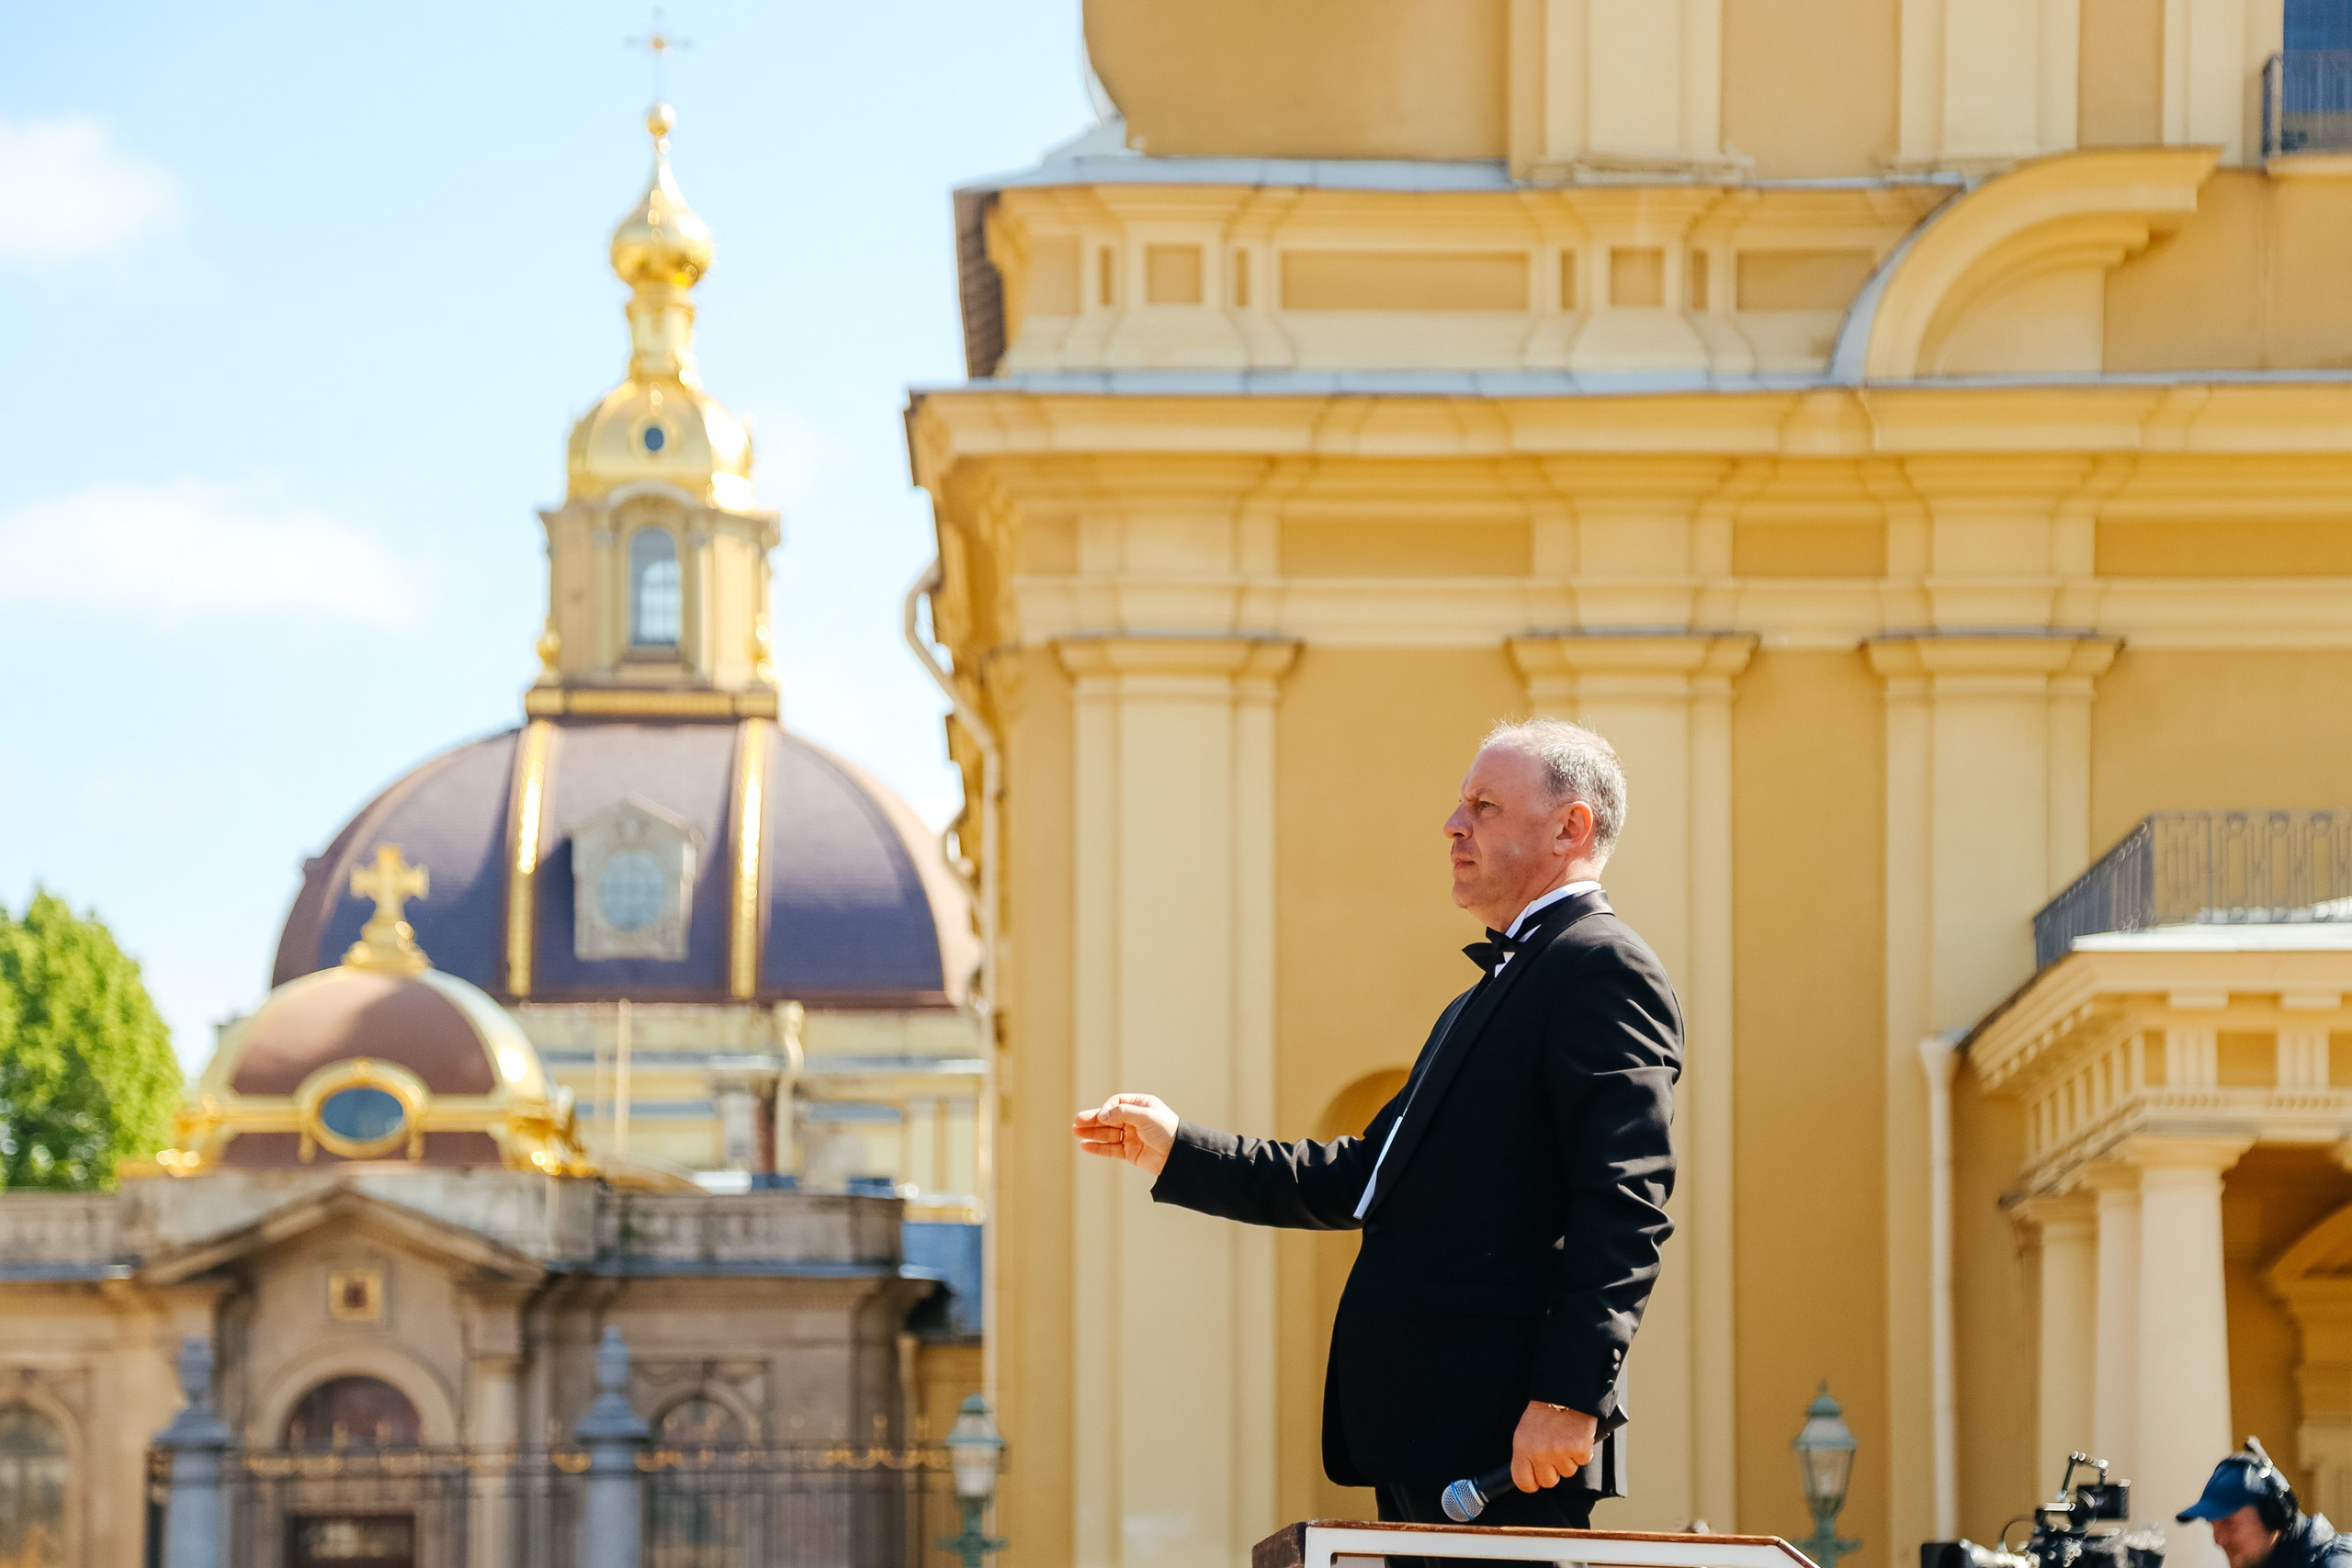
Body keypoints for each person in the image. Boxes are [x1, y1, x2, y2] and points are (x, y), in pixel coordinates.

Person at [1072, 718, 1682, 1529]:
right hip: (1430, 1431)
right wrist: (1180, 1149)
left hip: (1509, 1445)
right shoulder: (1484, 996)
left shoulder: (1603, 966)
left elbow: (1625, 1203)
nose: (1453, 825)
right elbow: (1362, 1177)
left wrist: (1570, 1396)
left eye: (1485, 805)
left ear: (1572, 827)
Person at [2178, 1439, 2352, 1568]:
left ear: (2273, 1515)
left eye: (2227, 1522)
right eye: (2212, 1525)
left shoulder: (2338, 1563)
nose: (2218, 1540)